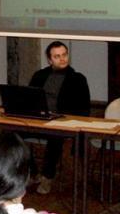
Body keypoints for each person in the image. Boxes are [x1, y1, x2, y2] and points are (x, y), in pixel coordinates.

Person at [28, 41, 91, 194]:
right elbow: (29, 98)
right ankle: (32, 172)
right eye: (57, 56)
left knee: (55, 136)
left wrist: (62, 117)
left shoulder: (77, 79)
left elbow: (84, 108)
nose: (62, 59)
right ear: (50, 60)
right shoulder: (40, 76)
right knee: (12, 133)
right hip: (39, 119)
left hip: (62, 122)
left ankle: (47, 176)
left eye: (64, 55)